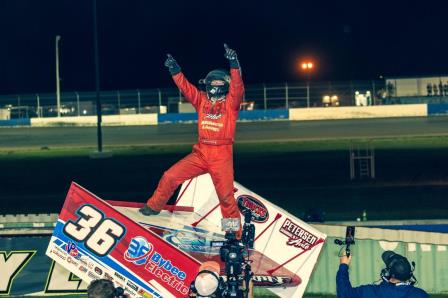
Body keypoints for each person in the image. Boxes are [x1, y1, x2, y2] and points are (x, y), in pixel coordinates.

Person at [139, 44, 245, 236]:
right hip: (201, 152)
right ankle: (154, 206)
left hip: (221, 156)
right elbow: (186, 88)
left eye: (214, 83)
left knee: (226, 197)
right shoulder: (202, 100)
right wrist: (175, 70)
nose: (211, 87)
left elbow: (237, 88)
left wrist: (234, 64)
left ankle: (234, 233)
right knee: (170, 176)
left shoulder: (231, 104)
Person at [336, 250, 429, 298]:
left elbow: (345, 294)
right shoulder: (421, 295)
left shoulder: (371, 292)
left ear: (387, 273)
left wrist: (344, 265)